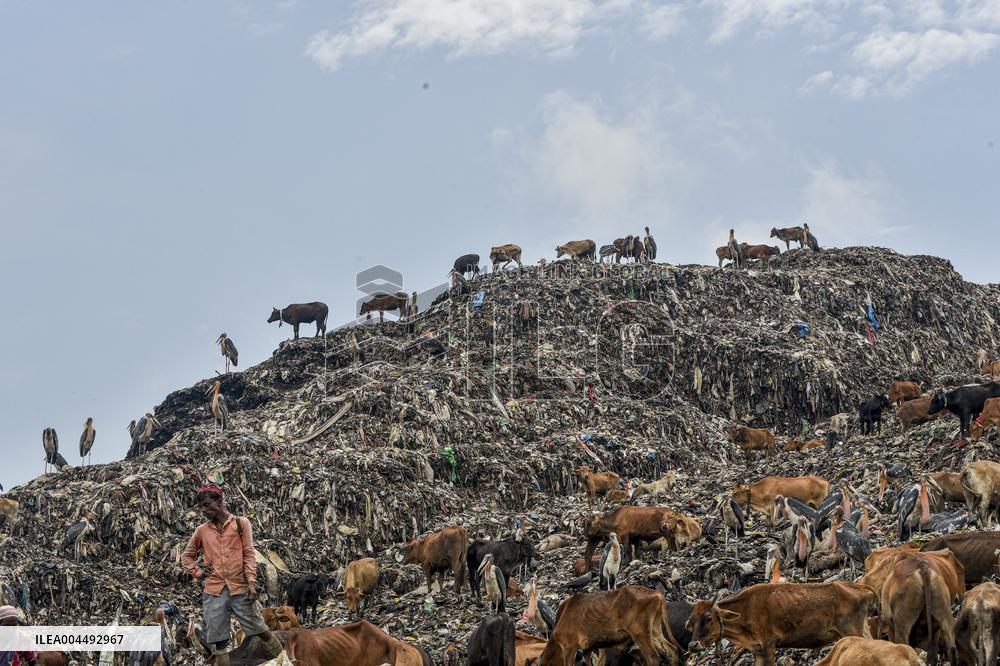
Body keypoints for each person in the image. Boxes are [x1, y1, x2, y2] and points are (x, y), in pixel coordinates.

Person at [181, 484, 282, 666]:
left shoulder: (240, 523)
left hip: (240, 588)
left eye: (207, 504)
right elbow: (186, 557)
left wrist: (251, 582)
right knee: (220, 644)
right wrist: (199, 573)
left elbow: (249, 554)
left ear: (220, 502)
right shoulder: (202, 531)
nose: (203, 510)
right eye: (201, 507)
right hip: (214, 591)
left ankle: (286, 661)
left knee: (260, 629)